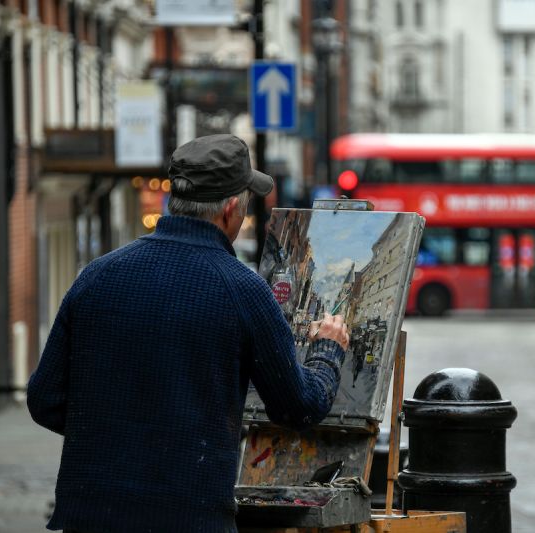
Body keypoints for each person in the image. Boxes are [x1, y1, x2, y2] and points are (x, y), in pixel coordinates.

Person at [27, 134, 350, 533]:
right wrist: (327, 349)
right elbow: (300, 406)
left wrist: (120, 431)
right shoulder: (244, 291)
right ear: (230, 209)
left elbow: (44, 400)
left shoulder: (97, 275)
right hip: (189, 519)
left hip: (91, 517)